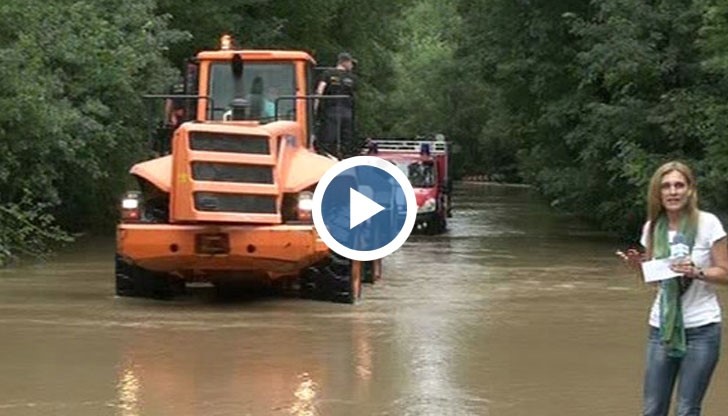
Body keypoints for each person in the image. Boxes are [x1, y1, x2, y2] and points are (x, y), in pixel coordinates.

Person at [618, 161, 728, 416]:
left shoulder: (708, 224)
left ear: (690, 190)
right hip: (661, 329)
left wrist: (697, 272)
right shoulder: (652, 228)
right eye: (666, 186)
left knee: (687, 409)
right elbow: (659, 281)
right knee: (653, 408)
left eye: (679, 185)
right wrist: (639, 268)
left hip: (702, 329)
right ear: (658, 193)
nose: (673, 191)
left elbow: (725, 272)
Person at [315, 52, 357, 158]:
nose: (352, 66)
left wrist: (315, 107)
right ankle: (344, 157)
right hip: (347, 111)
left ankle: (328, 156)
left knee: (328, 137)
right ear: (345, 62)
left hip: (331, 110)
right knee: (346, 139)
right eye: (351, 63)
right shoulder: (351, 77)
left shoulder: (327, 73)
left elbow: (320, 89)